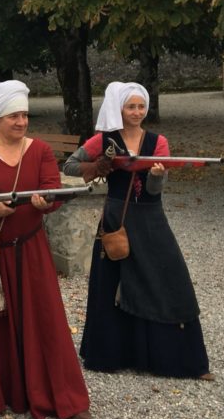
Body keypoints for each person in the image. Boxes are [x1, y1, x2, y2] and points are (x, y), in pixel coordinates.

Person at [0, 80, 92, 419]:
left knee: (44, 321)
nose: (21, 122)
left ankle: (61, 395)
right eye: (14, 116)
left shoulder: (40, 150)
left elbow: (51, 191)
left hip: (30, 252)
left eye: (24, 115)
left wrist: (46, 202)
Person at [63, 81, 213, 380]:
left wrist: (157, 175)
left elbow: (155, 191)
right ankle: (111, 354)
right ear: (120, 109)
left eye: (141, 106)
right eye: (131, 106)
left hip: (149, 217)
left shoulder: (158, 141)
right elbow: (69, 166)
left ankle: (180, 359)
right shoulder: (104, 140)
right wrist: (96, 167)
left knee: (168, 279)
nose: (137, 112)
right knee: (112, 283)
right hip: (116, 218)